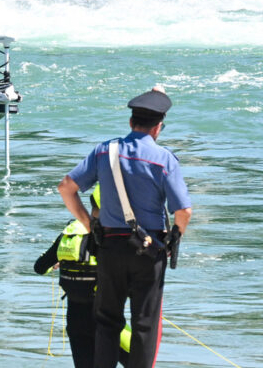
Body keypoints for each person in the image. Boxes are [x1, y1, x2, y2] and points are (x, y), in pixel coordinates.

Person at [57, 86, 192, 368]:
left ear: (131, 122)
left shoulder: (105, 150)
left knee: (107, 320)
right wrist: (174, 238)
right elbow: (183, 211)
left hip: (109, 245)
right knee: (145, 324)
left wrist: (88, 223)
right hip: (148, 249)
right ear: (158, 128)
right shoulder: (164, 159)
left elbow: (66, 187)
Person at [34, 186, 130, 368]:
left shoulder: (70, 232)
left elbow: (39, 267)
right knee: (140, 359)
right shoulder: (114, 236)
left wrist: (60, 263)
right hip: (105, 319)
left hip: (75, 319)